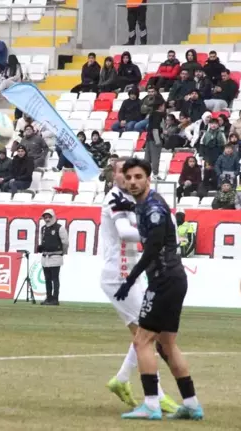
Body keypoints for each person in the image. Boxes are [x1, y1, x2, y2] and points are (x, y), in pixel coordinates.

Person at [115, 158, 203, 421]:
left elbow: (152, 248)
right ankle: (192, 404)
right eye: (128, 177)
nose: (132, 181)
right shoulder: (146, 204)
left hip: (163, 280)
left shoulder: (152, 208)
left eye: (138, 176)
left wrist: (130, 280)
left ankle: (151, 405)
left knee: (142, 340)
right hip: (174, 279)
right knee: (168, 344)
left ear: (148, 179)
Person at [98, 157, 179, 413]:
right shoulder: (114, 198)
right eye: (123, 173)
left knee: (146, 335)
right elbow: (124, 232)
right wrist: (159, 231)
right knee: (147, 335)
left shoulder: (133, 200)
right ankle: (157, 396)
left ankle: (121, 379)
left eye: (131, 174)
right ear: (114, 174)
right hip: (119, 276)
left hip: (129, 274)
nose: (127, 178)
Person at [37, 209, 68, 306]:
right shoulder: (43, 228)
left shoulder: (60, 228)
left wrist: (63, 252)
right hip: (45, 256)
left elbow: (65, 242)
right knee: (47, 279)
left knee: (55, 278)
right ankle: (49, 297)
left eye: (48, 217)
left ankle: (55, 298)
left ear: (53, 217)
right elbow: (42, 240)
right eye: (45, 217)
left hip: (55, 256)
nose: (47, 219)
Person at [144, 102, 165, 180]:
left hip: (149, 138)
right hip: (155, 139)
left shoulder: (151, 114)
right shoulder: (158, 115)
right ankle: (155, 174)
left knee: (147, 157)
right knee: (155, 157)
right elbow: (155, 128)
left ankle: (145, 174)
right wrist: (158, 140)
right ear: (160, 106)